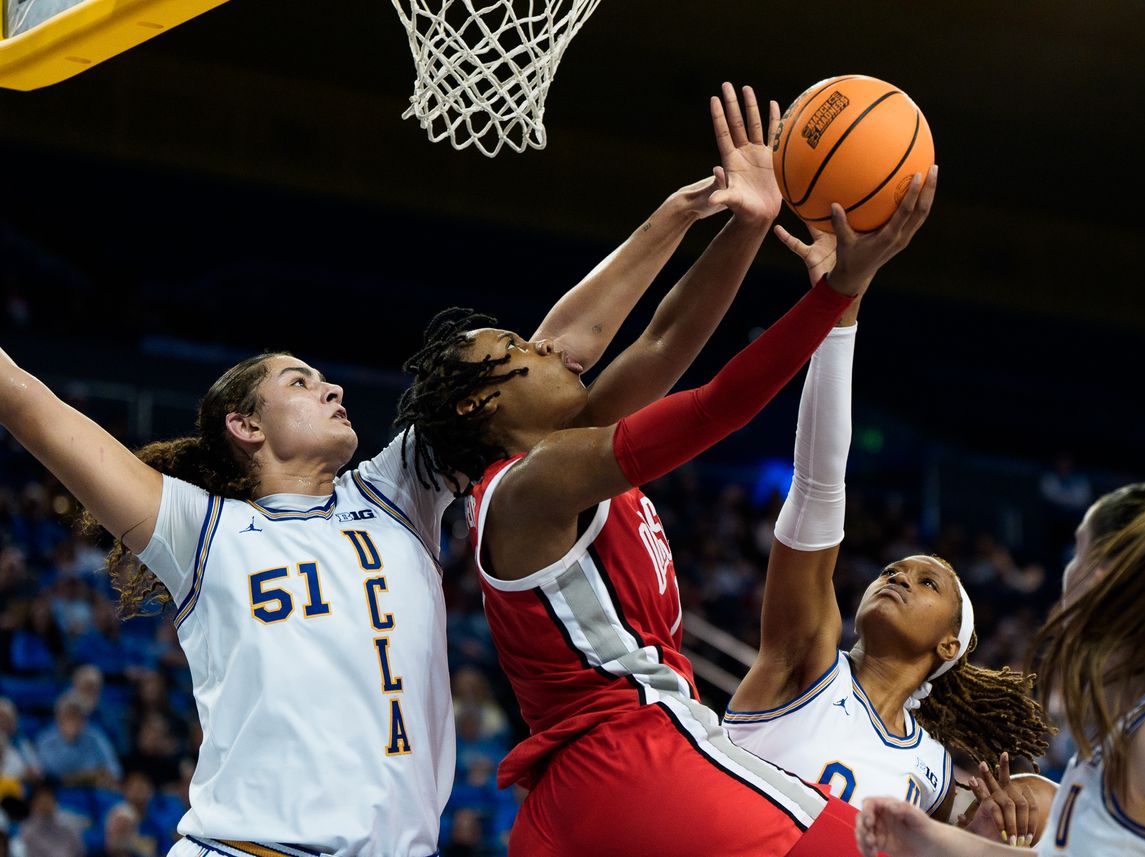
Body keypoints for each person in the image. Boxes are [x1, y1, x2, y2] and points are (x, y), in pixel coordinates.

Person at [0, 82, 819, 855]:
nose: (331, 385)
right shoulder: (200, 528)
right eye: (298, 380)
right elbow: (34, 406)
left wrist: (682, 217)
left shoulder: (394, 494)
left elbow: (543, 362)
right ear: (243, 425)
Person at [399, 83, 937, 855]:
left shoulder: (563, 458)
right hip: (631, 755)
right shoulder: (529, 485)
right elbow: (718, 404)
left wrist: (747, 223)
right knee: (877, 845)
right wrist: (841, 293)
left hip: (583, 796)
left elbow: (662, 339)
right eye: (518, 350)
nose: (546, 346)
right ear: (476, 408)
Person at [721, 225, 1053, 842]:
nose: (897, 575)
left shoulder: (930, 771)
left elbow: (1031, 809)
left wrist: (1019, 806)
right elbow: (817, 486)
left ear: (949, 646)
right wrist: (839, 313)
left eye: (926, 582)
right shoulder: (808, 660)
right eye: (892, 571)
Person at [854, 482, 1145, 856]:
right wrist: (931, 839)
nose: (1066, 574)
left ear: (1098, 580)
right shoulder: (1126, 730)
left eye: (1075, 554)